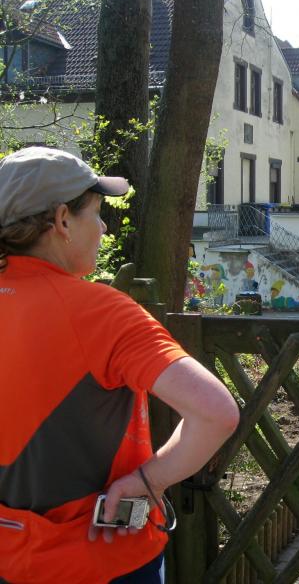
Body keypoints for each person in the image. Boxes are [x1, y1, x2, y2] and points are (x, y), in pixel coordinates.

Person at [0, 147, 240, 583]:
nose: (104, 227)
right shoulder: (103, 313)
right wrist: (149, 481)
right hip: (102, 559)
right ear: (62, 220)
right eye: (96, 212)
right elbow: (216, 412)